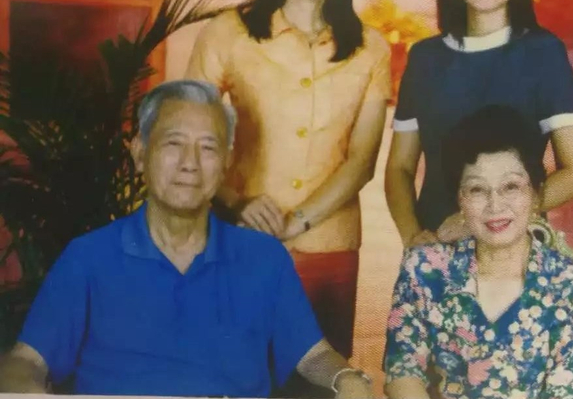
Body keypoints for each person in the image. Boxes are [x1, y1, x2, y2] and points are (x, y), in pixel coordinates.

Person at [0, 80, 373, 399]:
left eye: (208, 147)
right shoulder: (88, 258)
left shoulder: (264, 257)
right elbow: (26, 360)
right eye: (173, 143)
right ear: (140, 154)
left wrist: (347, 379)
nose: (190, 163)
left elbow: (312, 355)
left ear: (225, 163)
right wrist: (26, 389)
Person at [185, 0, 390, 366]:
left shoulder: (372, 49)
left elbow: (361, 162)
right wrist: (236, 203)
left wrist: (296, 223)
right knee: (237, 376)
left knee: (321, 382)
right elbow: (190, 138)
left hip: (331, 253)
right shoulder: (227, 32)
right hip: (241, 241)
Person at [385, 0, 573, 247]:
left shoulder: (543, 53)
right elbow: (399, 168)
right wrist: (414, 239)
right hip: (438, 248)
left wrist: (478, 218)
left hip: (517, 253)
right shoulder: (425, 59)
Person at [383, 105, 573, 399]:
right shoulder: (425, 270)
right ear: (460, 199)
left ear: (535, 193)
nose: (495, 206)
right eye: (477, 190)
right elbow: (402, 371)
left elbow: (567, 392)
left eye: (510, 187)